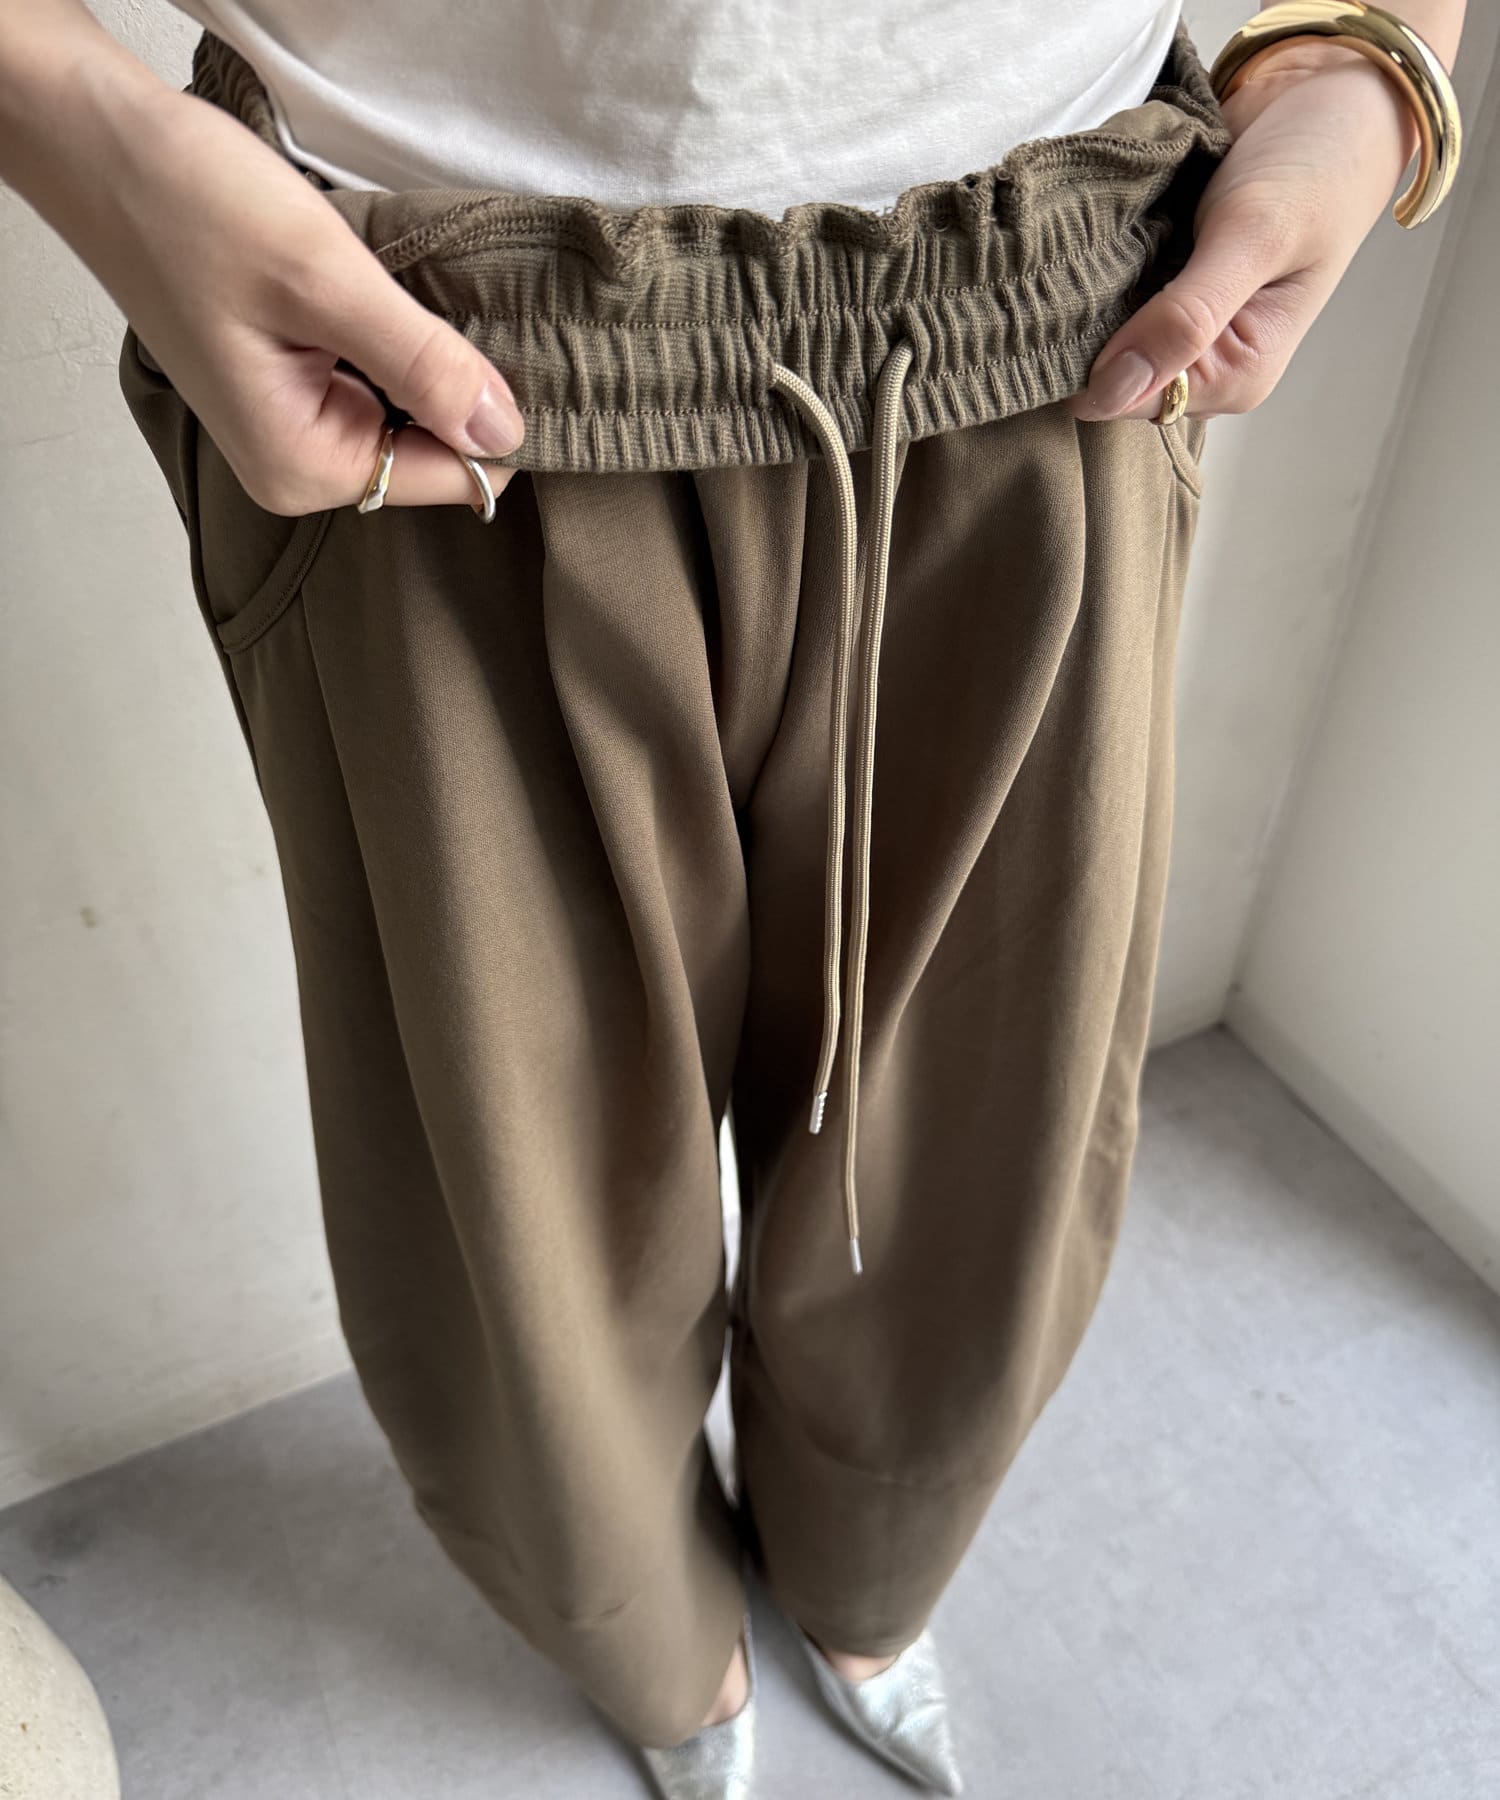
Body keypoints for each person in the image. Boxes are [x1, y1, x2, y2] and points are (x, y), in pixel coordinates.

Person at [0, 2, 1466, 1795]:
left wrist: (1369, 57)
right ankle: (652, 1645)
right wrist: (69, 117)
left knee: (975, 1161)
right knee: (519, 1218)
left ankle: (869, 1575)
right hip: (415, 356)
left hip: (1065, 327)